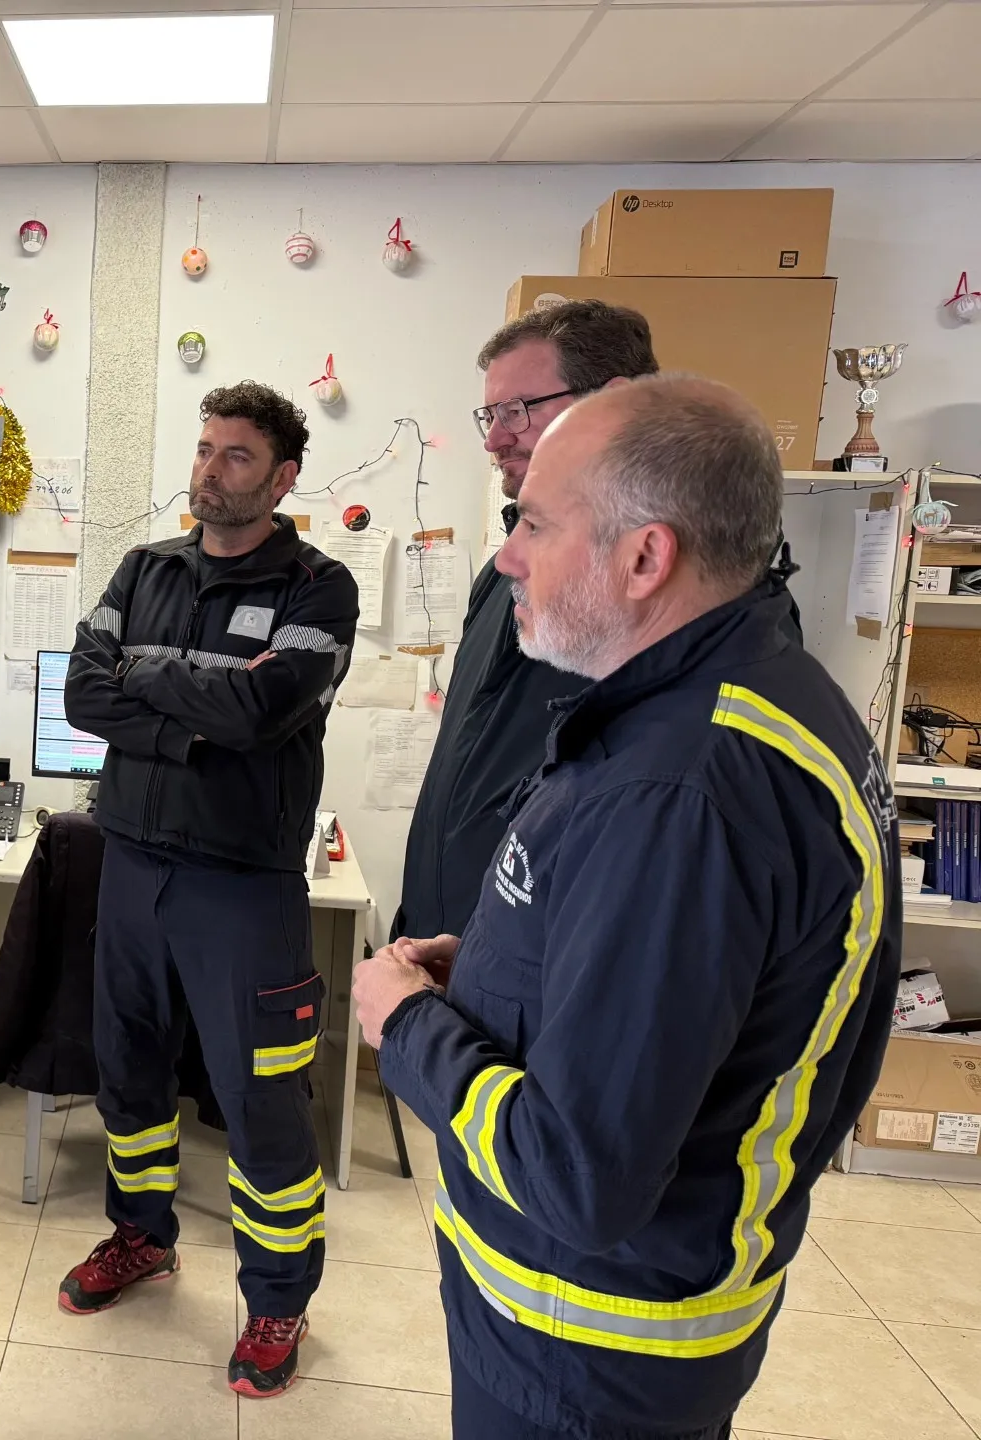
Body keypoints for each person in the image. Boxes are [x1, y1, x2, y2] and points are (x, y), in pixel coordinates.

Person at [354, 377, 900, 1439]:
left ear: (646, 558)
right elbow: (693, 985)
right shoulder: (751, 692)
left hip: (587, 1348)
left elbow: (578, 1178)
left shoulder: (678, 790)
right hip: (609, 1330)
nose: (508, 554)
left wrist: (404, 1021)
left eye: (535, 525)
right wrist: (511, 964)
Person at [62, 382, 360, 1399]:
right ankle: (140, 1237)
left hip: (243, 885)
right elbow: (80, 691)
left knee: (262, 1097)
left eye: (236, 456)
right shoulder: (145, 567)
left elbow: (266, 709)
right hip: (133, 860)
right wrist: (195, 716)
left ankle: (279, 1298)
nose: (209, 469)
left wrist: (152, 685)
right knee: (131, 1075)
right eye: (203, 449)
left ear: (281, 478)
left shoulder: (319, 588)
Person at [393, 300, 658, 947]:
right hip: (454, 945)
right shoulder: (505, 572)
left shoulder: (652, 586)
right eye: (490, 415)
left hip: (545, 968)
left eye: (518, 411)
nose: (493, 438)